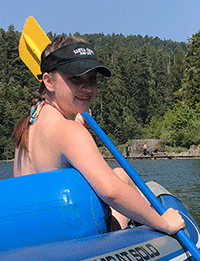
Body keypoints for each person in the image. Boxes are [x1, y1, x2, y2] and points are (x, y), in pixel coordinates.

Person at [11, 36, 184, 235]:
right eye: (76, 78)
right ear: (49, 81)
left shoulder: (29, 123)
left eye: (92, 78)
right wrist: (164, 224)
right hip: (74, 241)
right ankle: (147, 223)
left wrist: (75, 118)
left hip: (43, 236)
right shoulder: (70, 132)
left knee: (120, 173)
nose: (87, 88)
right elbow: (112, 192)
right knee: (121, 181)